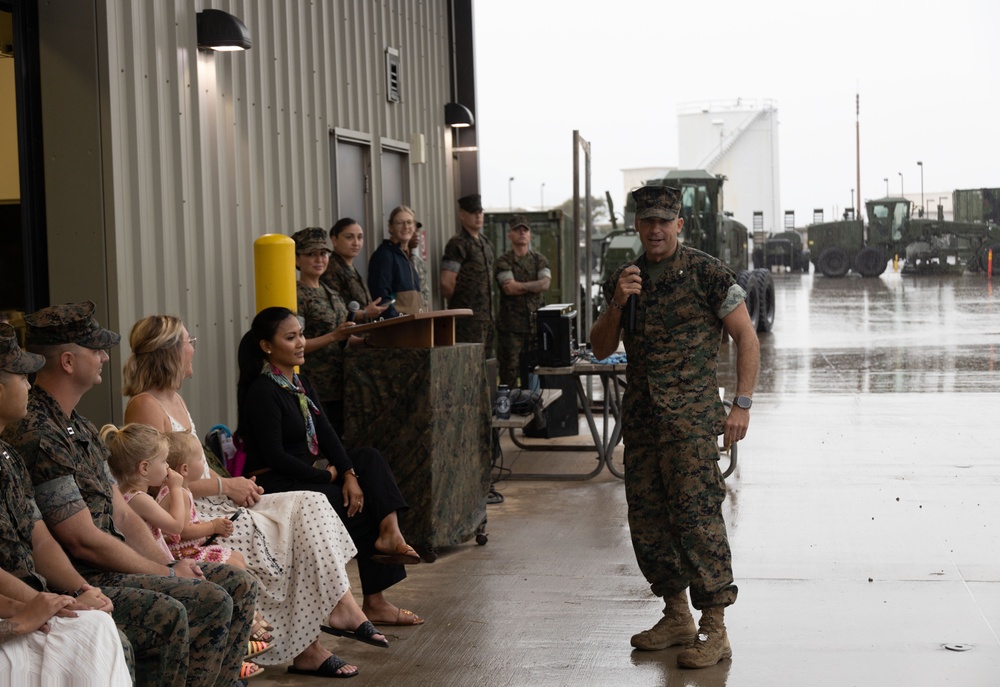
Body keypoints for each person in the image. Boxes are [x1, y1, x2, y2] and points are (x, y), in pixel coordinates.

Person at [123, 314, 405, 677]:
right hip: (186, 519)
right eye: (188, 341)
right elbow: (154, 484)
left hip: (214, 500)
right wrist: (228, 485)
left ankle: (341, 606)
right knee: (276, 538)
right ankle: (308, 647)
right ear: (171, 351)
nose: (194, 346)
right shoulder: (145, 405)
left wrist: (232, 486)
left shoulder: (174, 398)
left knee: (312, 502)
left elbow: (195, 471)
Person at [4, 302, 257, 686]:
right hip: (86, 575)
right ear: (69, 361)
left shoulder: (81, 428)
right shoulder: (39, 434)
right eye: (96, 348)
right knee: (201, 602)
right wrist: (165, 573)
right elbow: (82, 539)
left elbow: (121, 512)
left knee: (239, 583)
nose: (106, 355)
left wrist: (169, 564)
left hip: (101, 571)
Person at [589, 186, 759, 669]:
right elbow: (601, 347)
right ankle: (676, 615)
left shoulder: (706, 272)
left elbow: (745, 336)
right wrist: (617, 304)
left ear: (679, 225)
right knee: (647, 521)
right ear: (637, 227)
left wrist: (741, 404)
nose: (657, 230)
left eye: (665, 221)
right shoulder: (624, 279)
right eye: (648, 222)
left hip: (689, 422)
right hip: (643, 423)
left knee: (697, 520)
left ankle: (716, 628)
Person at [236, 308, 425, 625]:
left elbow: (326, 434)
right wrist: (327, 475)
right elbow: (274, 457)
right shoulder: (263, 391)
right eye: (291, 337)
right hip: (277, 483)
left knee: (369, 458)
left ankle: (391, 532)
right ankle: (374, 602)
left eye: (301, 335)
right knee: (360, 506)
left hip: (304, 475)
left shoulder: (298, 382)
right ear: (267, 346)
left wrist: (348, 473)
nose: (301, 343)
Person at [0, 323, 131, 685]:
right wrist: (33, 607)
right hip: (26, 599)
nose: (30, 383)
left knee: (97, 628)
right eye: (21, 376)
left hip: (36, 594)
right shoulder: (36, 434)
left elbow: (40, 539)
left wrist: (77, 593)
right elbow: (80, 539)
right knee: (100, 634)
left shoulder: (7, 455)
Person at [292, 227, 362, 434]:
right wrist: (334, 336)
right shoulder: (297, 295)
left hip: (340, 385)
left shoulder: (331, 292)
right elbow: (296, 345)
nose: (319, 259)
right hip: (314, 387)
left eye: (323, 254)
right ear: (297, 260)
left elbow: (343, 338)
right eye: (311, 254)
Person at [494, 214, 551, 387]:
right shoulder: (503, 261)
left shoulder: (539, 260)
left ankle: (534, 410)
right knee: (509, 374)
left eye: (525, 230)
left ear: (530, 235)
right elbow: (509, 288)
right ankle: (508, 410)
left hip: (535, 328)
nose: (522, 233)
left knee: (535, 372)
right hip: (511, 329)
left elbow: (546, 284)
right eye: (517, 230)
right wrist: (533, 286)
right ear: (509, 235)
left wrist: (521, 286)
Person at [441, 193, 496, 355]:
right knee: (469, 367)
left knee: (484, 366)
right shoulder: (457, 243)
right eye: (473, 212)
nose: (478, 216)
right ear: (462, 215)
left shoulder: (485, 243)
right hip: (467, 321)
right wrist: (461, 305)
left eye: (480, 212)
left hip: (486, 319)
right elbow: (446, 284)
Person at [320, 218, 389, 322]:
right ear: (334, 240)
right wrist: (365, 313)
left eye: (360, 237)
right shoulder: (331, 269)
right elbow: (333, 313)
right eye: (349, 237)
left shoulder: (349, 267)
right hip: (349, 335)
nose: (356, 243)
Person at [368, 206, 424, 317]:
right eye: (399, 223)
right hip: (399, 327)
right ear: (390, 227)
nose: (405, 227)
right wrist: (395, 321)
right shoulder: (384, 255)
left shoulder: (407, 257)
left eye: (409, 222)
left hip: (415, 325)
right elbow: (381, 298)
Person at [408, 222, 432, 308]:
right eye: (413, 231)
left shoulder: (418, 262)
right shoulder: (394, 260)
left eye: (417, 231)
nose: (416, 235)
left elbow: (424, 292)